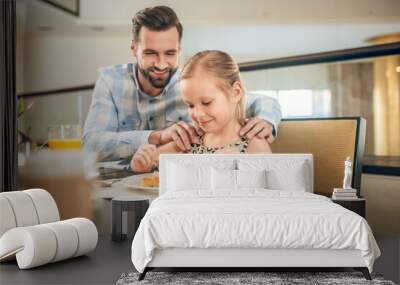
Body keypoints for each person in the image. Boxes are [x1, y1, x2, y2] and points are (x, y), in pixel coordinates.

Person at [83, 6, 281, 161]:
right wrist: (157, 137)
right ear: (134, 48)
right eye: (151, 53)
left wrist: (266, 121)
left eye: (170, 53)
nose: (161, 64)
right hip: (120, 180)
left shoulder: (191, 84)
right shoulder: (111, 80)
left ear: (179, 49)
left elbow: (259, 102)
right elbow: (91, 143)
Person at [131, 50, 271, 172]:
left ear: (235, 92)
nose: (198, 114)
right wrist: (142, 162)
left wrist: (231, 172)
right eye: (190, 105)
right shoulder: (191, 139)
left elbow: (267, 193)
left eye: (206, 102)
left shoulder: (254, 143)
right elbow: (152, 160)